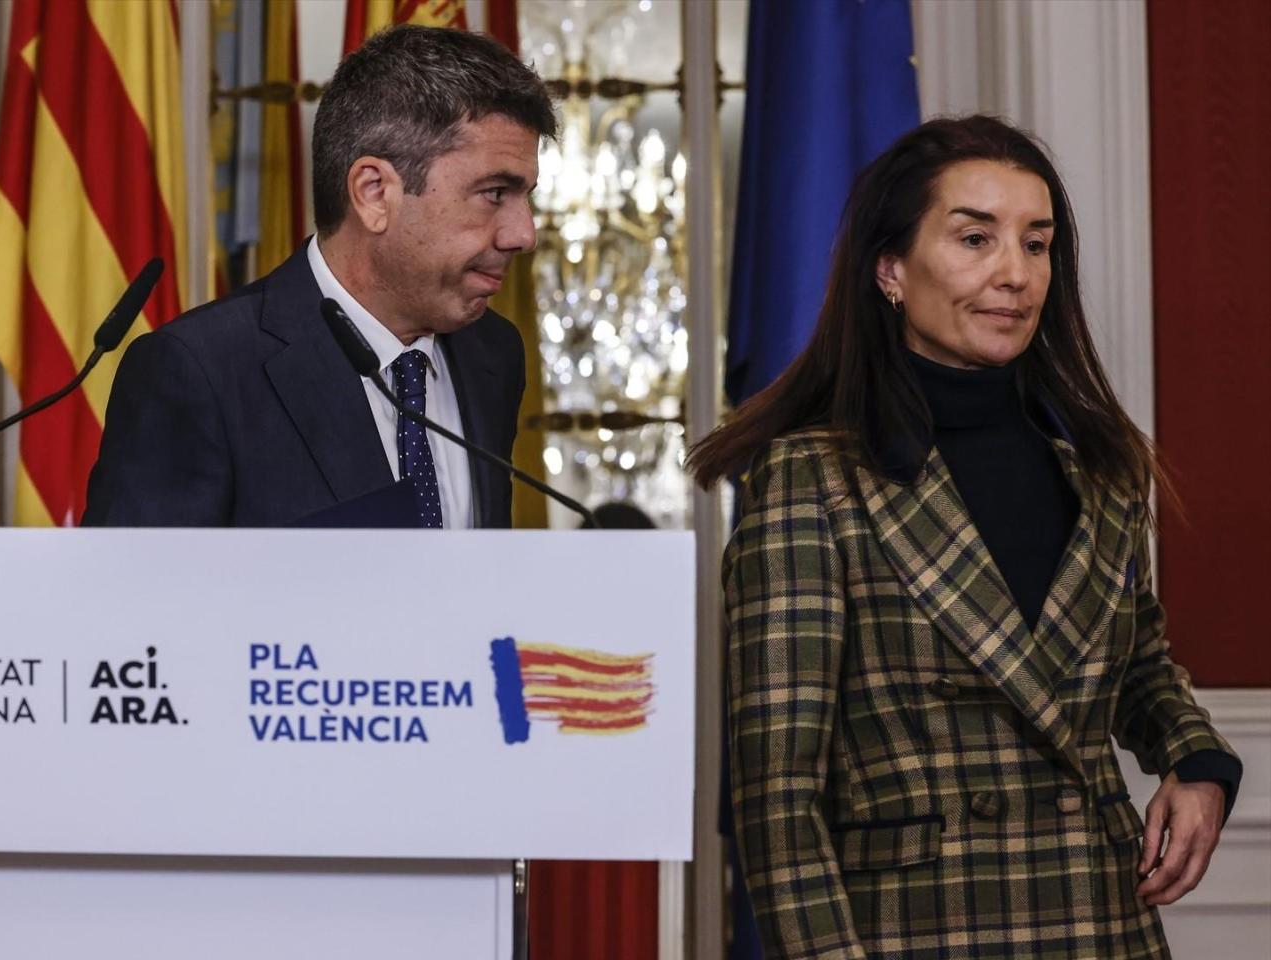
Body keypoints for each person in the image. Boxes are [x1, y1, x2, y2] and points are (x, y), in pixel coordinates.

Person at [688, 115, 1240, 958]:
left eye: (1037, 243)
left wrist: (1198, 760)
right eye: (975, 238)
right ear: (891, 270)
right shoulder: (812, 478)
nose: (1014, 275)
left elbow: (1136, 665)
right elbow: (777, 799)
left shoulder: (1101, 464)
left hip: (1102, 923)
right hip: (921, 932)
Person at [83, 25, 554, 529]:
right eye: (494, 194)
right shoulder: (199, 373)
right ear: (374, 193)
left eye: (525, 197)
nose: (523, 234)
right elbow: (138, 602)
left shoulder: (493, 352)